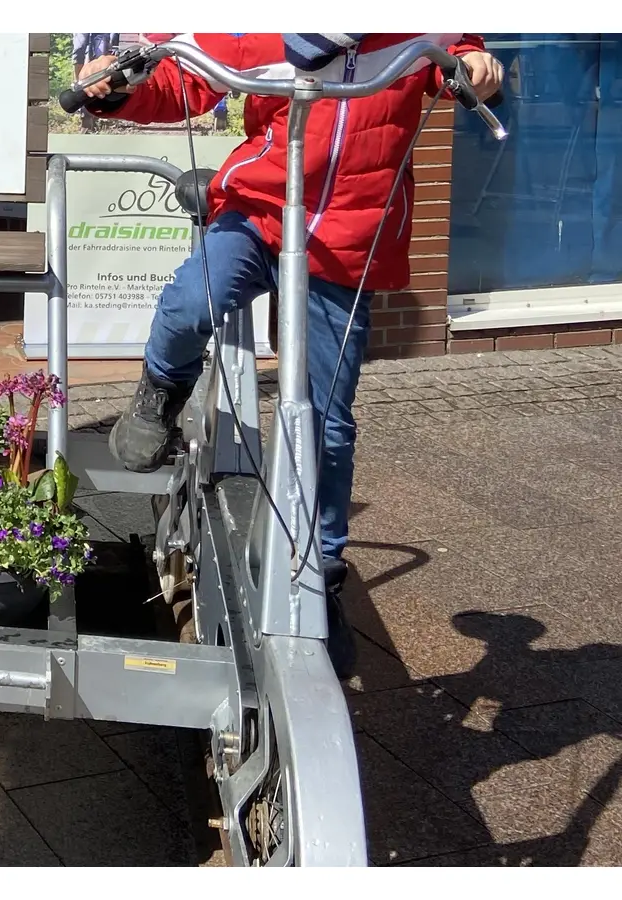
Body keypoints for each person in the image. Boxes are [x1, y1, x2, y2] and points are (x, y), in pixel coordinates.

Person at [76, 33, 503, 678]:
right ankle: (159, 392)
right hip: (260, 212)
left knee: (326, 416)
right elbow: (184, 75)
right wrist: (122, 83)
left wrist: (477, 65)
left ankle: (321, 569)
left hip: (347, 241)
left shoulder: (415, 30)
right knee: (192, 303)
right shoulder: (265, 27)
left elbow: (460, 60)